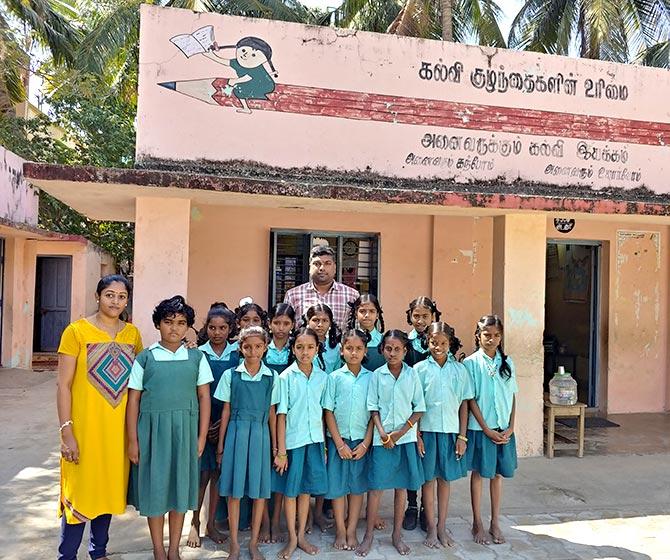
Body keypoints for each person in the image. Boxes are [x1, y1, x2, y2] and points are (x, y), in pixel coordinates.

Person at [56, 274, 143, 560]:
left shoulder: (132, 334)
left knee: (107, 491)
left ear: (127, 300)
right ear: (97, 296)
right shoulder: (76, 332)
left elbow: (137, 384)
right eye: (109, 294)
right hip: (85, 429)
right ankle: (66, 555)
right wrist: (66, 431)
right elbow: (63, 385)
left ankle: (99, 552)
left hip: (117, 433)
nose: (115, 301)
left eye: (121, 296)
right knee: (80, 495)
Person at [126, 296, 213, 560]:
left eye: (181, 323)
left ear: (188, 327)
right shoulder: (146, 358)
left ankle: (174, 549)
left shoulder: (196, 358)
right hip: (152, 434)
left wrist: (200, 437)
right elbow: (134, 400)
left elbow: (204, 398)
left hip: (184, 433)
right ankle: (158, 549)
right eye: (168, 322)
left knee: (179, 490)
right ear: (157, 324)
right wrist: (133, 440)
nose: (174, 328)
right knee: (156, 492)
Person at [358, 330, 425, 557]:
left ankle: (396, 535)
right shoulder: (377, 375)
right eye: (388, 348)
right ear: (382, 350)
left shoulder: (412, 375)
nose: (392, 353)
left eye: (398, 349)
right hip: (382, 440)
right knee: (376, 488)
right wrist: (384, 433)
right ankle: (368, 535)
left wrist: (400, 432)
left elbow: (419, 408)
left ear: (406, 351)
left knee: (401, 488)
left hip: (405, 439)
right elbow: (373, 408)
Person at [215, 326, 279, 560]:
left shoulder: (271, 377)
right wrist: (221, 446)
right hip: (236, 433)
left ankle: (253, 543)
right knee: (234, 490)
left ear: (265, 347)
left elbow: (273, 413)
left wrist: (276, 448)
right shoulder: (231, 375)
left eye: (258, 346)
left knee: (259, 491)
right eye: (247, 346)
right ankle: (233, 544)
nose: (253, 351)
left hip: (261, 434)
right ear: (240, 348)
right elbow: (226, 411)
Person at [415, 322, 473, 549]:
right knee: (428, 480)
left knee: (445, 480)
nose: (438, 347)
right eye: (433, 342)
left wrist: (462, 436)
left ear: (450, 344)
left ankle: (441, 526)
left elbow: (464, 405)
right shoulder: (420, 370)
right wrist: (417, 435)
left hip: (450, 432)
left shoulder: (459, 370)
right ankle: (430, 527)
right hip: (427, 432)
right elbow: (415, 405)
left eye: (443, 343)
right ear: (427, 342)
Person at [273, 328, 328, 559]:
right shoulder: (285, 377)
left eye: (310, 347)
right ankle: (293, 538)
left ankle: (302, 535)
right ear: (292, 349)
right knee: (291, 490)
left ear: (317, 349)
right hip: (293, 443)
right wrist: (281, 451)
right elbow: (281, 415)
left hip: (314, 440)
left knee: (306, 490)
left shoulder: (323, 378)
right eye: (299, 347)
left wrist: (324, 445)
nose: (305, 352)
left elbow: (325, 414)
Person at [187, 303, 239, 548]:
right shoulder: (198, 354)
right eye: (212, 327)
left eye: (223, 328)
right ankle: (194, 523)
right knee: (201, 476)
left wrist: (222, 424)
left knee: (218, 475)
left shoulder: (237, 354)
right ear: (205, 328)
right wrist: (204, 425)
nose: (217, 332)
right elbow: (194, 391)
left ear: (230, 329)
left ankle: (212, 524)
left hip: (226, 422)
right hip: (202, 423)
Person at [464, 315, 518, 546]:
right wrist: (485, 428)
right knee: (479, 474)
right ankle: (477, 521)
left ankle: (495, 521)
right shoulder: (471, 363)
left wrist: (512, 426)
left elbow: (512, 395)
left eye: (496, 335)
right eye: (487, 335)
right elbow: (471, 400)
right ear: (478, 336)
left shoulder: (508, 363)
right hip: (481, 429)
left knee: (497, 475)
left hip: (503, 429)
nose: (492, 339)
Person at [322, 329, 373, 551]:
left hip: (361, 441)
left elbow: (375, 414)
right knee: (338, 487)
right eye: (349, 348)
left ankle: (352, 529)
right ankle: (340, 530)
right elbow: (328, 412)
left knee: (357, 488)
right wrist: (339, 443)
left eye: (359, 349)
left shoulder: (372, 378)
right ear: (342, 350)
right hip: (338, 441)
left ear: (365, 351)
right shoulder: (334, 378)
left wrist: (365, 444)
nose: (354, 353)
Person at [402, 296, 442, 531]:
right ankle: (411, 505)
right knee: (411, 459)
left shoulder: (437, 341)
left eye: (425, 316)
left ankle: (429, 509)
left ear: (433, 317)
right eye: (416, 316)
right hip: (410, 409)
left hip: (434, 410)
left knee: (429, 460)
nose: (420, 320)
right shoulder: (405, 342)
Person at [284, 245, 359, 331]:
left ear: (334, 267)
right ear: (310, 267)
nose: (322, 268)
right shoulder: (293, 295)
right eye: (317, 264)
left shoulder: (352, 295)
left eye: (327, 263)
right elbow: (286, 329)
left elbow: (357, 330)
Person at [347, 294, 385, 372]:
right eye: (362, 311)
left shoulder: (384, 341)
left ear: (377, 314)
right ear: (356, 314)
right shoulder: (347, 340)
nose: (367, 315)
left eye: (371, 311)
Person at [305, 303, 342, 375]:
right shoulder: (300, 345)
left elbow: (337, 373)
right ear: (308, 321)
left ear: (330, 323)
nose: (320, 325)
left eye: (325, 321)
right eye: (315, 320)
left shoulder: (335, 347)